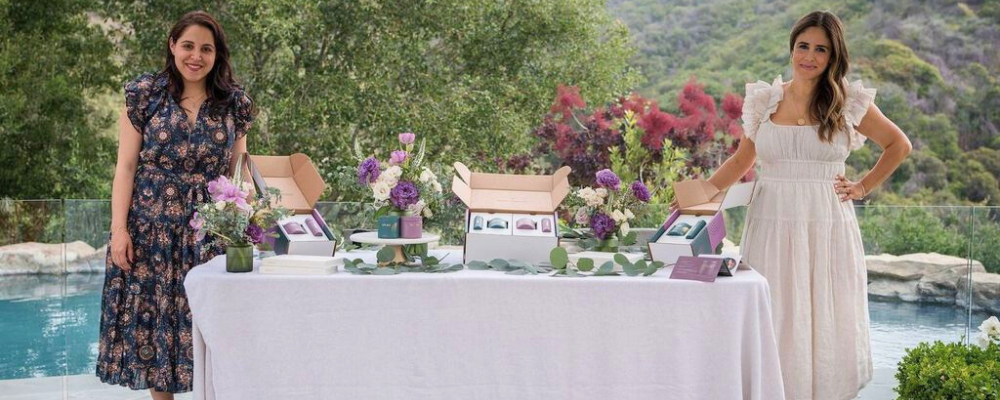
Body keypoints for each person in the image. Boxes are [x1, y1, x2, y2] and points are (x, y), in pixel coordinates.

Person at [697, 11, 911, 400]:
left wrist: (862, 187)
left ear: (833, 56)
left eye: (820, 49)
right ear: (792, 48)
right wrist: (699, 196)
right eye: (803, 46)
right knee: (774, 310)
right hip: (770, 222)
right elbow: (742, 161)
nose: (809, 56)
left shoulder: (848, 102)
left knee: (824, 313)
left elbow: (899, 145)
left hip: (826, 223)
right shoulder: (764, 101)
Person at [96, 11, 255, 399]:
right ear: (172, 46)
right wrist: (119, 230)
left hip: (209, 235)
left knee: (213, 332)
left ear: (217, 55)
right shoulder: (145, 94)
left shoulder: (235, 103)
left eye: (206, 48)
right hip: (150, 231)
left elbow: (241, 172)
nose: (195, 56)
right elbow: (126, 167)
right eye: (188, 46)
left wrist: (247, 225)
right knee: (155, 332)